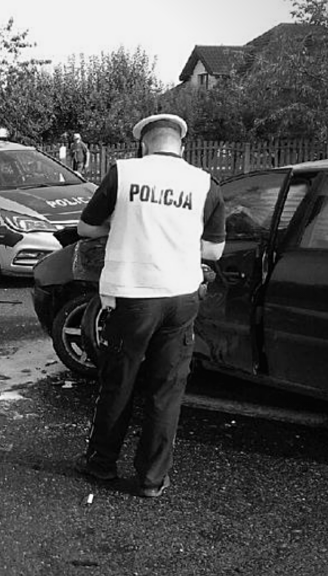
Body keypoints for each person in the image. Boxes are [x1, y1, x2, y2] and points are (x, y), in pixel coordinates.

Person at [75, 113, 225, 498]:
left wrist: (125, 222)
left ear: (144, 144)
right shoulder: (204, 182)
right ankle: (152, 480)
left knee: (120, 383)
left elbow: (86, 227)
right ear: (181, 146)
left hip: (132, 297)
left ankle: (101, 463)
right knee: (166, 390)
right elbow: (215, 249)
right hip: (180, 297)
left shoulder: (123, 173)